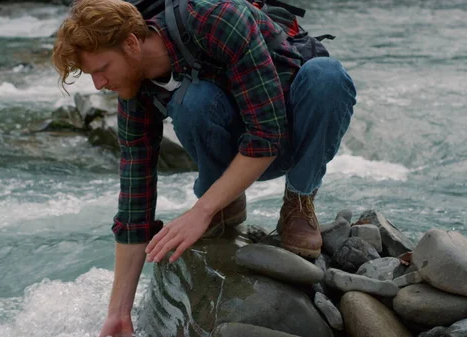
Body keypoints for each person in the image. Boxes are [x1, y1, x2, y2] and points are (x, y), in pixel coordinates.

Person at [52, 0, 356, 335]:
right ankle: (225, 204)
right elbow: (134, 205)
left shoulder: (214, 18)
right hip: (239, 149)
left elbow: (267, 136)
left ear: (131, 43)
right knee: (194, 101)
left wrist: (199, 210)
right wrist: (118, 313)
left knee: (327, 75)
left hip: (290, 130)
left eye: (102, 69)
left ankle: (298, 201)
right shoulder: (135, 95)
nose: (98, 84)